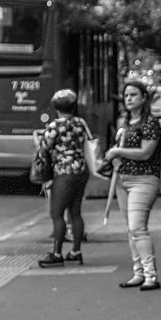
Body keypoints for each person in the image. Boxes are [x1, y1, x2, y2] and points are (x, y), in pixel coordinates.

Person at [107, 80, 161, 291]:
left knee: (138, 228)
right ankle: (138, 272)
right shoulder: (126, 123)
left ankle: (151, 275)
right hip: (124, 180)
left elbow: (145, 152)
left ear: (143, 98)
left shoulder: (150, 123)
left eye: (133, 95)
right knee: (131, 230)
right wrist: (114, 157)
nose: (128, 98)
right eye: (126, 95)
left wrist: (117, 152)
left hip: (144, 179)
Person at [37, 89, 93, 268]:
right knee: (75, 212)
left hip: (63, 171)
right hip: (81, 170)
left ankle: (56, 253)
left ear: (56, 107)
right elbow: (90, 140)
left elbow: (44, 148)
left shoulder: (55, 126)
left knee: (57, 213)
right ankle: (76, 251)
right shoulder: (80, 123)